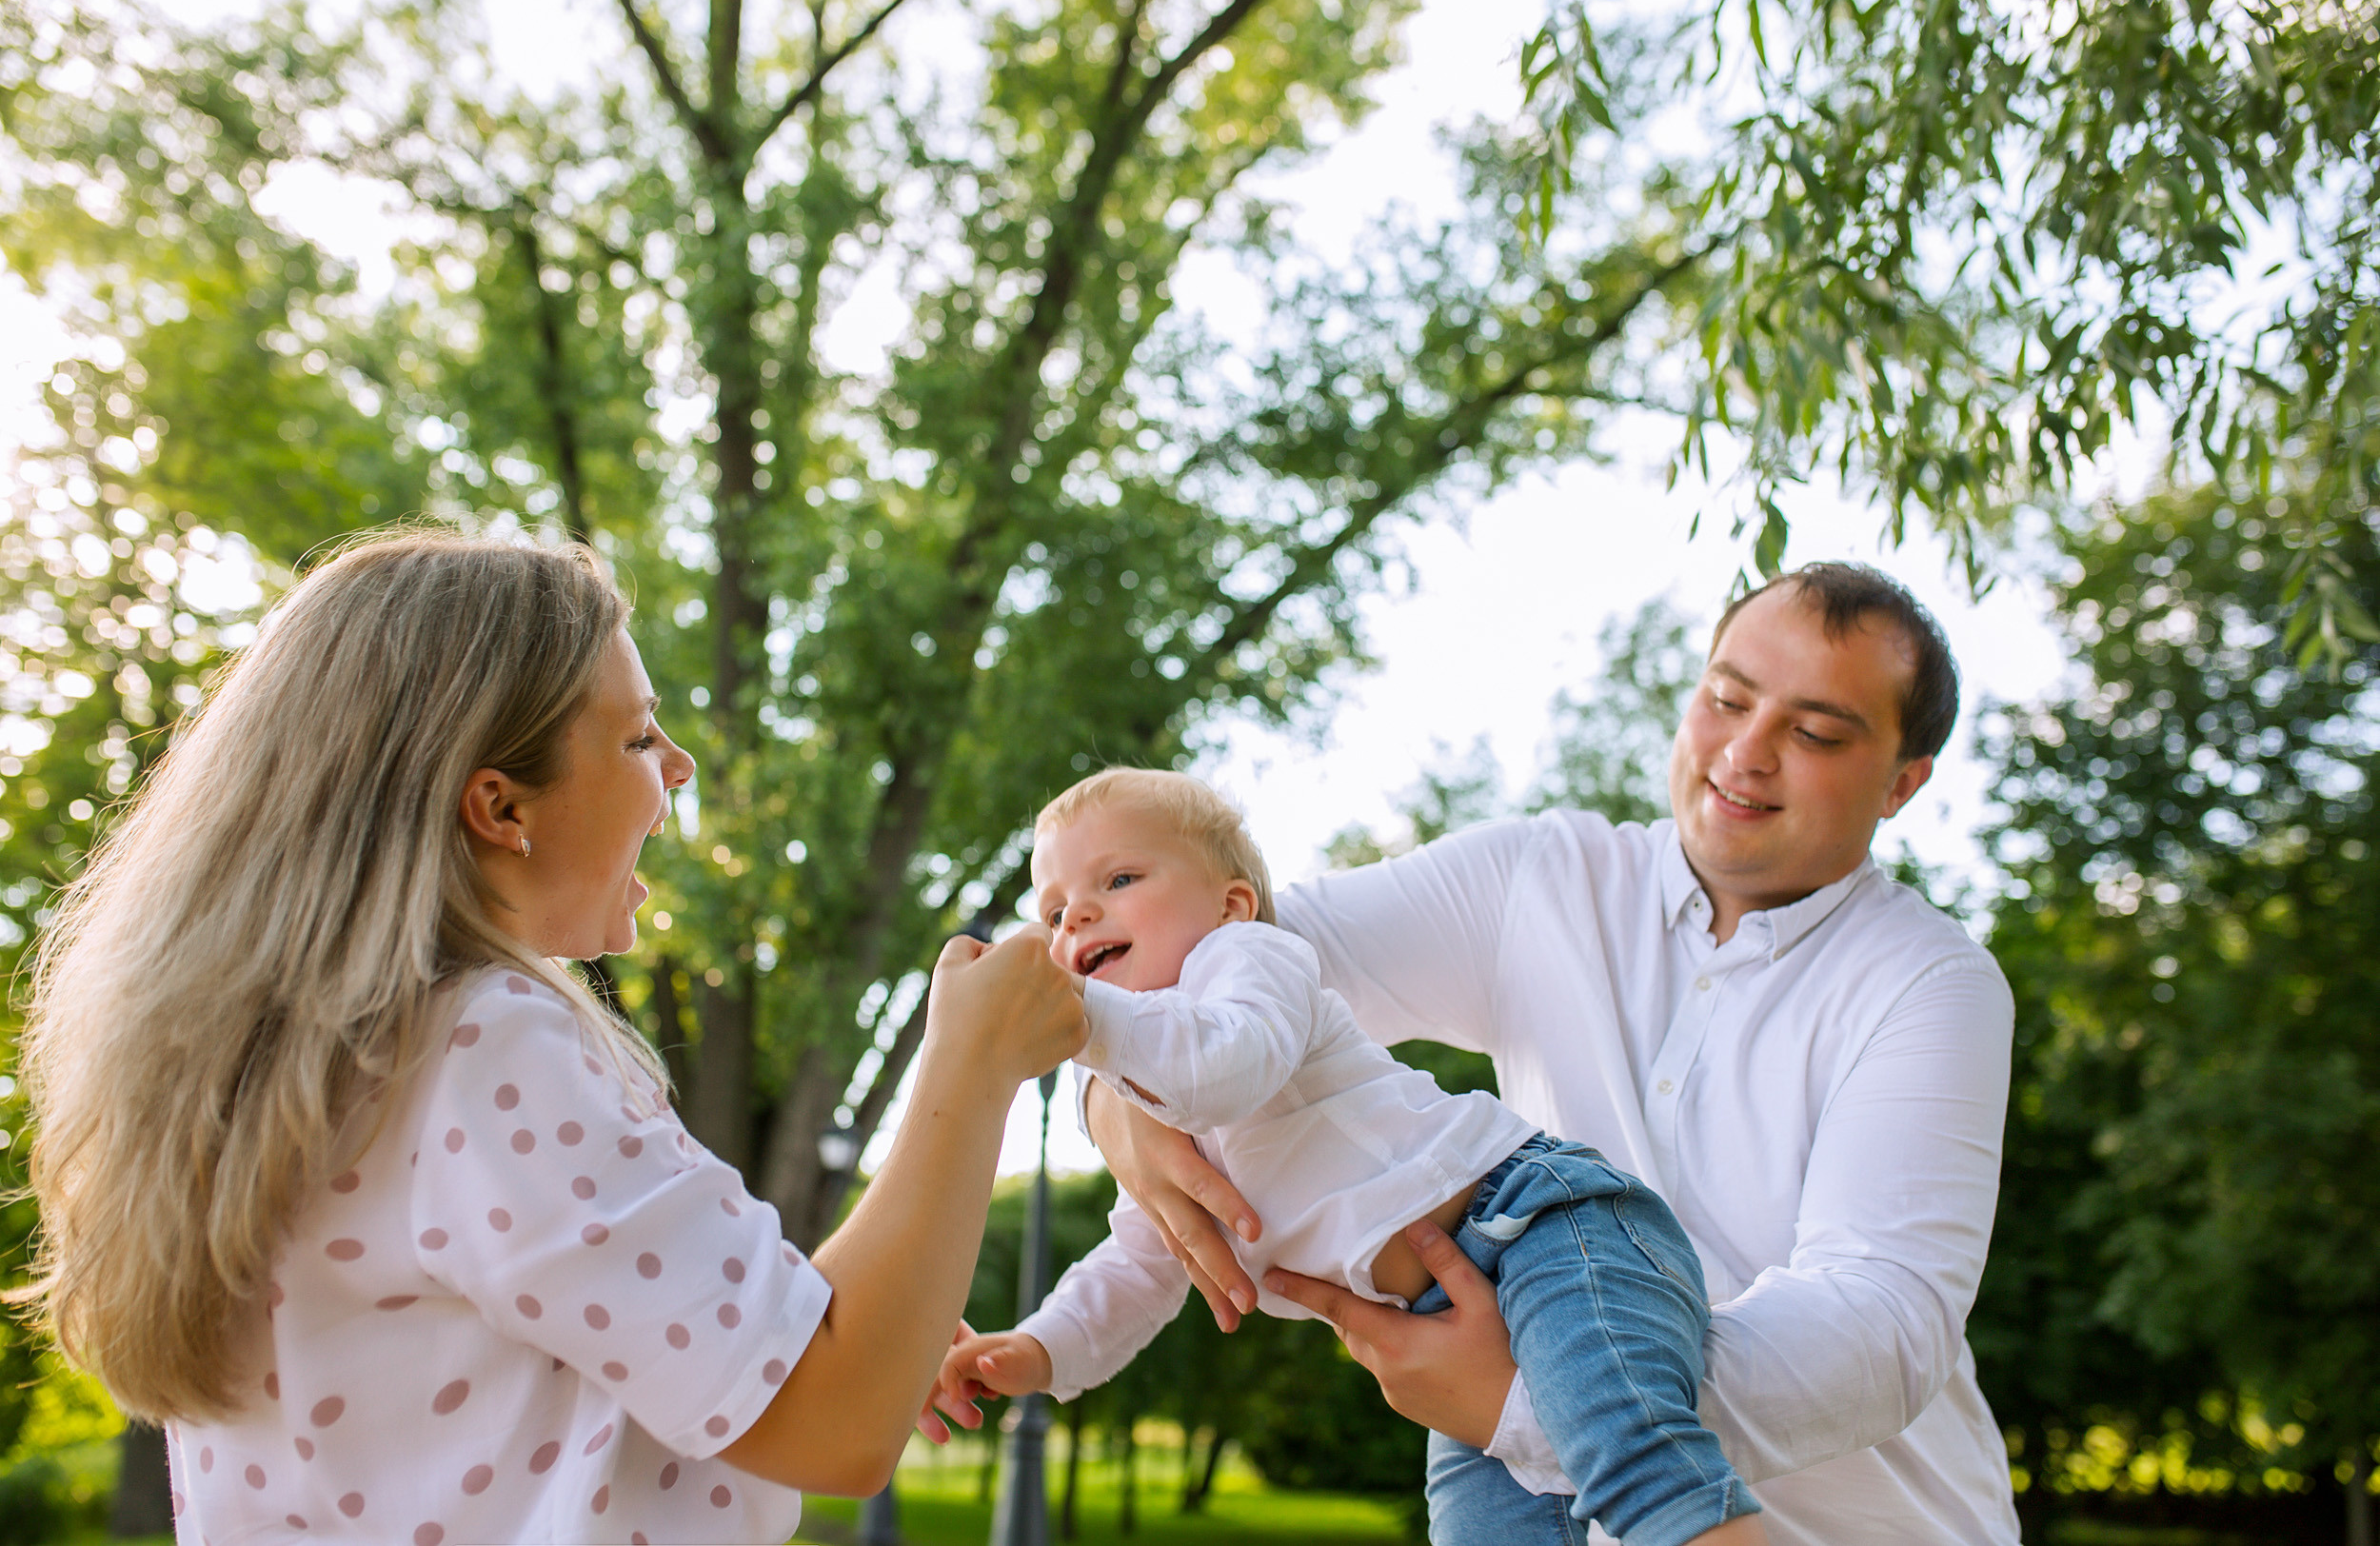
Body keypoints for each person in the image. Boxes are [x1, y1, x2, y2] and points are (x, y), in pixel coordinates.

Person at [13, 531, 1084, 1546]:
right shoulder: (484, 1048)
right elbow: (835, 1421)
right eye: (634, 735)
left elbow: (669, 1363)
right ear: (498, 802)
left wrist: (855, 1326)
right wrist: (973, 1062)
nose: (678, 766)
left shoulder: (301, 1069)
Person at [1084, 564, 2022, 1545]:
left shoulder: (1930, 983)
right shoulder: (1540, 877)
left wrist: (1532, 1393)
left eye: (1814, 732)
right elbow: (1206, 945)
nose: (1746, 752)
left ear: (1902, 782)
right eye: (1726, 699)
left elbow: (1881, 1322)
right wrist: (1111, 1103)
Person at [929, 769, 1766, 1546]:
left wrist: (1085, 1023)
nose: (1075, 916)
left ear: (1230, 906)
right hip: (1445, 1319)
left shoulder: (1253, 964)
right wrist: (1038, 1349)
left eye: (1117, 880)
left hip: (1546, 1228)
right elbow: (1138, 1266)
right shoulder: (1148, 1099)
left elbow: (1224, 1064)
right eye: (1053, 910)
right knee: (1485, 1529)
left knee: (1633, 1457)